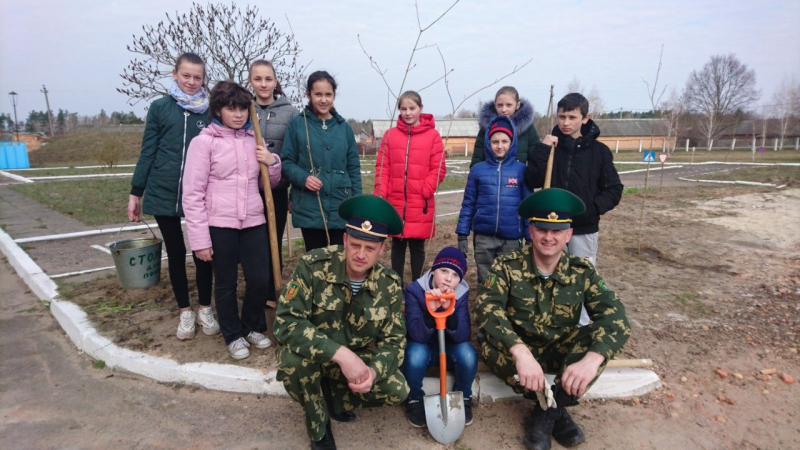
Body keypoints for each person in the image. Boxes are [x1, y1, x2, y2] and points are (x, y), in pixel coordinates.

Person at [475, 188, 631, 450]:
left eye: (557, 231)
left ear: (568, 234)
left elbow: (615, 315)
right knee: (491, 347)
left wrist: (592, 361)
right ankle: (556, 409)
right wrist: (521, 353)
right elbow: (487, 308)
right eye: (542, 229)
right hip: (521, 351)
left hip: (561, 349)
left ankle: (545, 413)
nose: (549, 237)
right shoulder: (507, 266)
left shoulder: (581, 271)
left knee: (599, 341)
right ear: (531, 231)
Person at [274, 195, 409, 450]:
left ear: (383, 248)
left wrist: (373, 372)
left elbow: (395, 341)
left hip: (355, 362)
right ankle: (318, 425)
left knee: (397, 389)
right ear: (345, 239)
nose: (360, 255)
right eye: (355, 244)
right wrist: (341, 354)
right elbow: (286, 321)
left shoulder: (389, 284)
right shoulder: (313, 266)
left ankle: (334, 399)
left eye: (370, 249)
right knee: (293, 363)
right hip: (314, 356)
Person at [182, 81, 282, 360]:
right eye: (231, 108)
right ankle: (233, 334)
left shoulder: (255, 140)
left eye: (242, 108)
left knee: (260, 279)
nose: (238, 114)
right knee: (225, 283)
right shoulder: (204, 143)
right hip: (219, 223)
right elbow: (192, 194)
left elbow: (269, 184)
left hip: (253, 220)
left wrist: (272, 162)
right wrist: (200, 240)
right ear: (217, 110)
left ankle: (251, 326)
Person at [128, 52, 217, 341]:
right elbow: (147, 151)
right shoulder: (160, 108)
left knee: (204, 253)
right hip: (164, 192)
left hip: (200, 196)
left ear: (204, 79)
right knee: (176, 253)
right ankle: (185, 312)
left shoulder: (210, 112)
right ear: (175, 74)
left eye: (198, 77)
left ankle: (205, 307)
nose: (192, 81)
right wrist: (136, 192)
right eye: (186, 75)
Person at [525, 93, 623, 326]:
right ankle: (550, 322)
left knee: (581, 276)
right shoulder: (551, 148)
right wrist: (542, 149)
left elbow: (614, 189)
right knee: (548, 274)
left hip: (583, 228)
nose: (565, 123)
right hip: (552, 227)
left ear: (585, 118)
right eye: (561, 117)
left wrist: (591, 210)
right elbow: (533, 180)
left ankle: (580, 327)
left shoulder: (599, 153)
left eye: (572, 117)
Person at [281, 71, 362, 252]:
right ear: (308, 95)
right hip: (310, 206)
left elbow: (353, 168)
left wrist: (356, 204)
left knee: (339, 261)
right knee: (315, 262)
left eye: (328, 94)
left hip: (340, 205)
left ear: (334, 95)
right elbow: (286, 162)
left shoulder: (344, 128)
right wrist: (304, 178)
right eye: (318, 94)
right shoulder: (298, 125)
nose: (323, 100)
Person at [374, 90, 446, 283]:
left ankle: (417, 283)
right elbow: (382, 167)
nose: (408, 113)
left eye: (412, 108)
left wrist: (425, 190)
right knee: (397, 245)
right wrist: (381, 196)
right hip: (395, 202)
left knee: (417, 247)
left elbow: (438, 168)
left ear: (420, 109)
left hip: (419, 203)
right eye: (404, 108)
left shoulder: (433, 136)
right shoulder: (390, 136)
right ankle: (396, 285)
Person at [401, 247, 476, 428]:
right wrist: (431, 312)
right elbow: (415, 334)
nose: (449, 279)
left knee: (468, 354)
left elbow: (463, 335)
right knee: (413, 355)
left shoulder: (461, 293)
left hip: (449, 349)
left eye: (456, 275)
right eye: (444, 271)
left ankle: (463, 396)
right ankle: (414, 398)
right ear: (433, 270)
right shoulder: (415, 290)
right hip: (423, 346)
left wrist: (449, 312)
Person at [248, 59, 300, 310]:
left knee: (272, 241)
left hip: (277, 190)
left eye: (268, 79)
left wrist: (290, 187)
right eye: (258, 79)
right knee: (253, 242)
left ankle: (272, 291)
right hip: (247, 190)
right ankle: (254, 289)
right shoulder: (243, 109)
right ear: (251, 81)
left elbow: (295, 153)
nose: (263, 84)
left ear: (275, 81)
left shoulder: (289, 112)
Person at [456, 115, 531, 283]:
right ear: (488, 143)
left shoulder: (521, 170)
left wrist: (530, 235)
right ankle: (486, 307)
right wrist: (462, 234)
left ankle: (507, 308)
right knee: (486, 279)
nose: (500, 146)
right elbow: (468, 203)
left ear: (512, 143)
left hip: (511, 237)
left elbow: (527, 206)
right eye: (495, 142)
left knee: (510, 278)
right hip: (484, 237)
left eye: (504, 141)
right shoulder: (478, 170)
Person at [469, 86, 540, 168]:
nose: (503, 109)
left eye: (509, 105)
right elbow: (477, 161)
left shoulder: (528, 129)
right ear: (494, 105)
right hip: (490, 179)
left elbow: (536, 161)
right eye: (500, 105)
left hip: (517, 179)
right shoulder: (486, 129)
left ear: (517, 105)